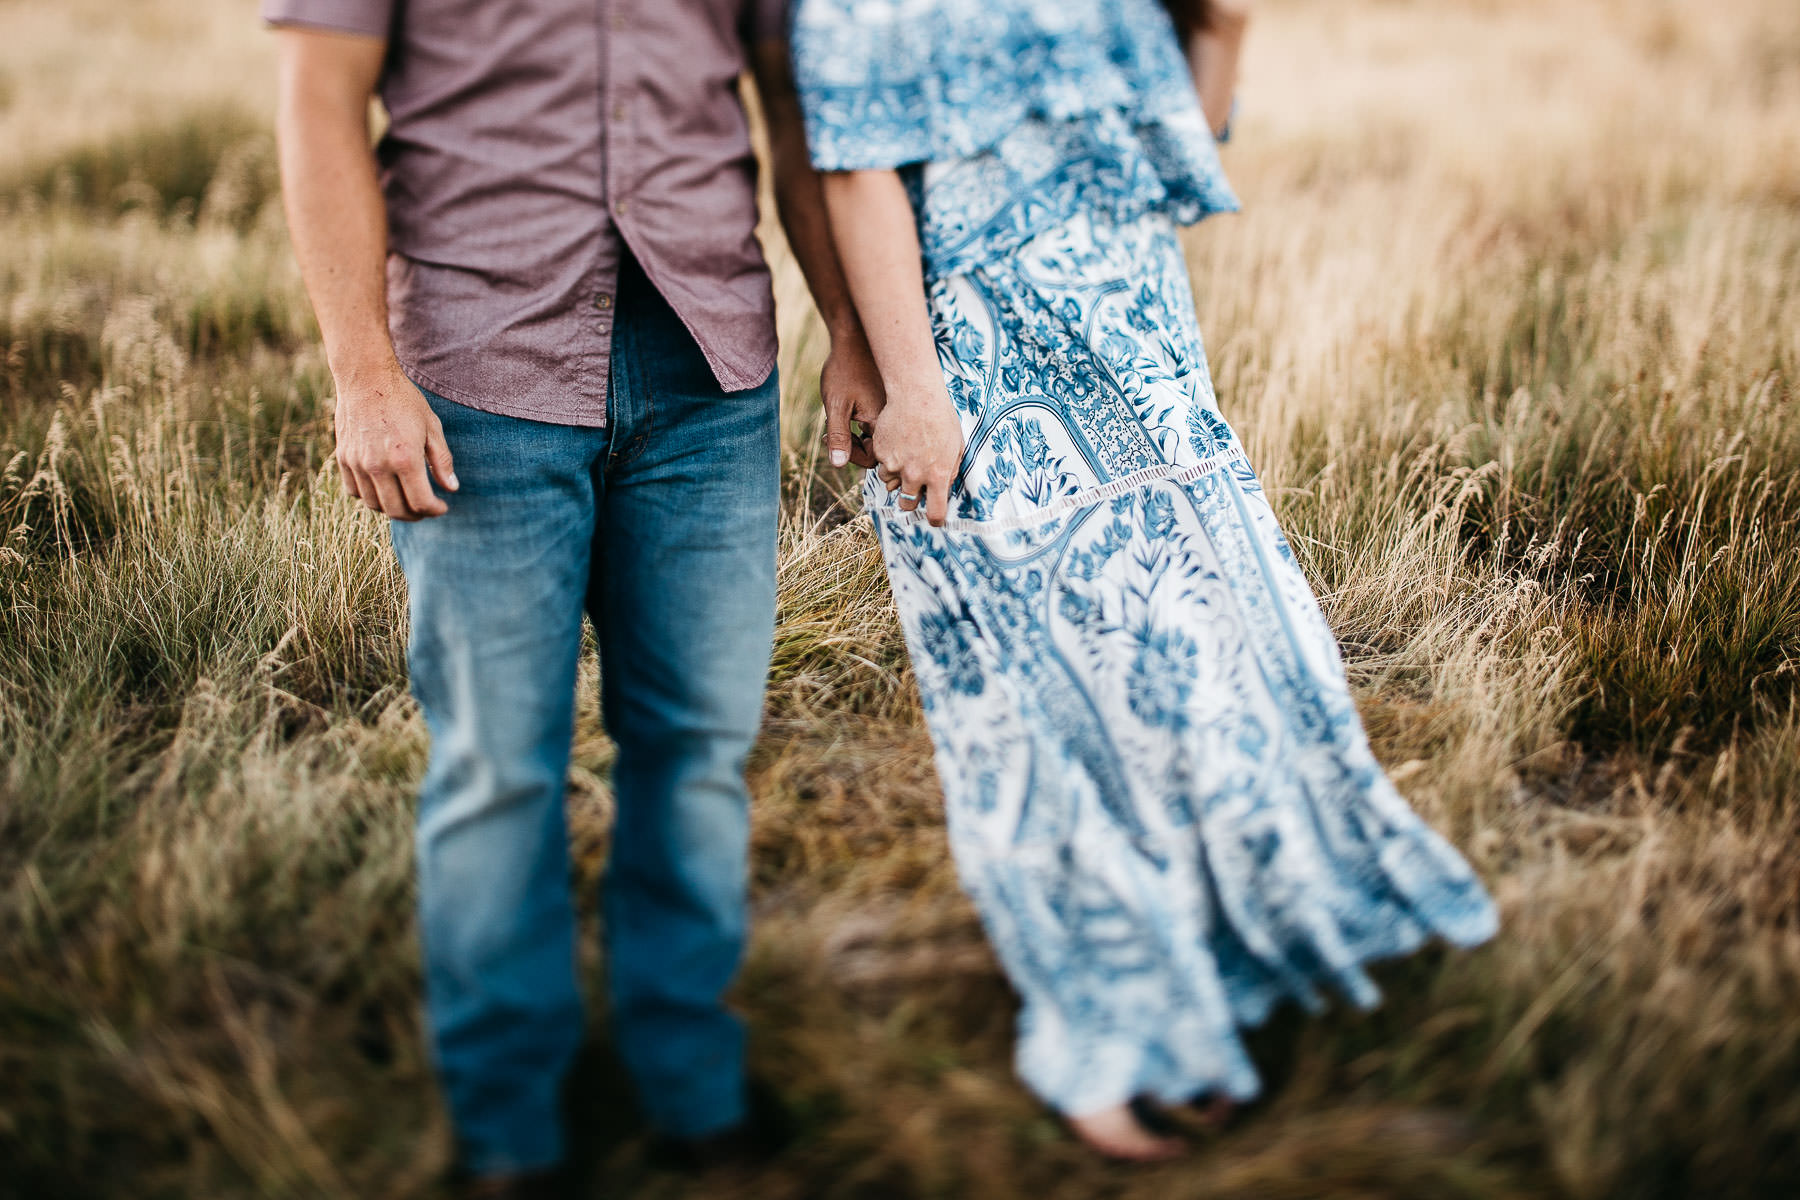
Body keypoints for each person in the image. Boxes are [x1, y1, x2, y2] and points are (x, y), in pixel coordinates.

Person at [788, 0, 1500, 1160]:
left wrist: (1225, 26)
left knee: (1200, 668)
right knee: (1038, 712)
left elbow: (1180, 143)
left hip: (1149, 359)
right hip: (986, 376)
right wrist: (913, 388)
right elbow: (853, 171)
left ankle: (1213, 985)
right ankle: (1108, 1027)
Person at [265, 1, 879, 1194]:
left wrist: (850, 328)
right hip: (477, 372)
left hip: (709, 369)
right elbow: (318, 97)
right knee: (497, 767)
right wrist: (362, 373)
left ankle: (689, 1082)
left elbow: (788, 97)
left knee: (698, 749)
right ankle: (508, 1128)